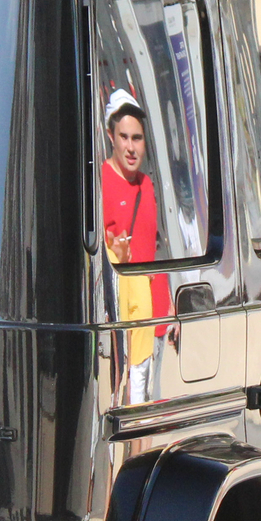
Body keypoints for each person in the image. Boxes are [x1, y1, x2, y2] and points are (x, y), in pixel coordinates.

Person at [100, 92, 173, 403]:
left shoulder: (147, 184)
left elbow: (152, 248)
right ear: (111, 137)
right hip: (121, 324)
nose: (131, 147)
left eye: (138, 138)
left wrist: (169, 305)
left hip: (155, 319)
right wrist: (111, 248)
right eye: (124, 137)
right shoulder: (99, 181)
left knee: (147, 409)